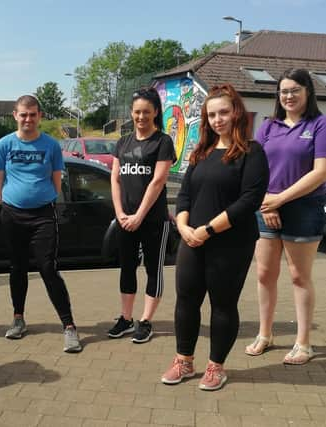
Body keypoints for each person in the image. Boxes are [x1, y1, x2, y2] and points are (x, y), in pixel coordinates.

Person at [161, 84, 269, 391]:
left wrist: (208, 230)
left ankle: (215, 367)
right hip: (192, 239)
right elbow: (183, 197)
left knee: (222, 305)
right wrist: (183, 227)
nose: (217, 119)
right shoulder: (201, 153)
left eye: (223, 112)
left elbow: (248, 201)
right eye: (211, 114)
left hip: (230, 243)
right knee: (186, 300)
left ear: (236, 112)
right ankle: (184, 361)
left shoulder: (252, 152)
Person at [245, 69, 326, 364]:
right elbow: (254, 169)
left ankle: (304, 342)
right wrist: (269, 202)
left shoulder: (319, 125)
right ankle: (265, 334)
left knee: (299, 276)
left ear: (307, 92)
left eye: (294, 90)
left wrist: (280, 199)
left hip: (304, 208)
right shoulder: (268, 127)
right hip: (266, 206)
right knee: (265, 273)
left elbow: (320, 172)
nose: (288, 96)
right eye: (283, 91)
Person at [0, 94, 82, 353]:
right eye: (23, 115)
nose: (28, 119)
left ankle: (69, 327)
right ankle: (18, 319)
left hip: (43, 215)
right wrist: (7, 201)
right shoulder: (4, 145)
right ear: (15, 116)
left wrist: (42, 199)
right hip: (12, 214)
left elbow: (56, 181)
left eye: (33, 115)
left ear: (40, 116)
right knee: (17, 267)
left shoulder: (51, 146)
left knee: (48, 268)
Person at [107, 87, 175, 343]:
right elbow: (115, 179)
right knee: (127, 268)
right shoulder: (122, 143)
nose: (141, 116)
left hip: (154, 220)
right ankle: (126, 318)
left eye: (146, 111)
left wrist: (139, 216)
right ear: (131, 113)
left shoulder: (163, 142)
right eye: (137, 112)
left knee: (153, 269)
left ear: (155, 112)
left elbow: (158, 182)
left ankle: (145, 321)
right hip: (126, 220)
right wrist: (121, 213)